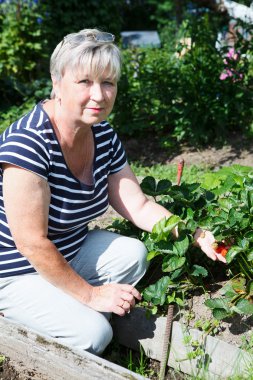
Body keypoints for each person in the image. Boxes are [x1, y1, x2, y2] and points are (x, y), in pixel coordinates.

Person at [0, 28, 225, 356]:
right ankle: (19, 318)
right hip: (16, 272)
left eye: (108, 82)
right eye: (85, 82)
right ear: (56, 82)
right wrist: (91, 296)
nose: (99, 95)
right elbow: (31, 243)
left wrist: (195, 232)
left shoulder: (102, 134)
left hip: (69, 253)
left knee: (133, 255)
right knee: (93, 335)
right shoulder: (28, 144)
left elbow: (137, 204)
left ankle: (64, 311)